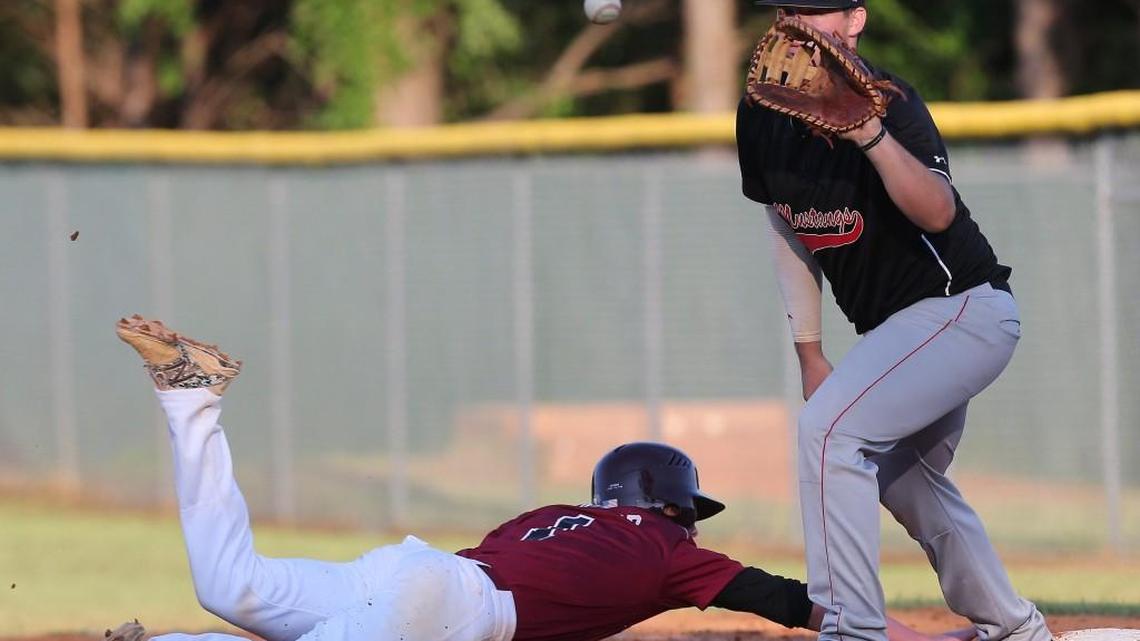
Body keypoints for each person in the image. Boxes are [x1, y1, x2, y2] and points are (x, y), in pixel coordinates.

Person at [110, 315, 969, 641]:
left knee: (233, 584)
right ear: (666, 505)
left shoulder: (548, 516)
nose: (693, 527)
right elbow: (793, 601)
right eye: (688, 512)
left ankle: (192, 401)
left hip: (415, 569)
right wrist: (915, 638)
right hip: (448, 605)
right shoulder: (669, 548)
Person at [735, 4, 1053, 641]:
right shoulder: (762, 113)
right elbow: (784, 228)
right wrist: (809, 352)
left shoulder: (891, 100)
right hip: (898, 335)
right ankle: (1015, 626)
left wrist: (871, 137)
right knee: (905, 479)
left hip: (961, 309)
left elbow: (938, 213)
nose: (803, 25)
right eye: (793, 11)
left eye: (821, 12)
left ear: (856, 20)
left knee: (828, 436)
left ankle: (850, 629)